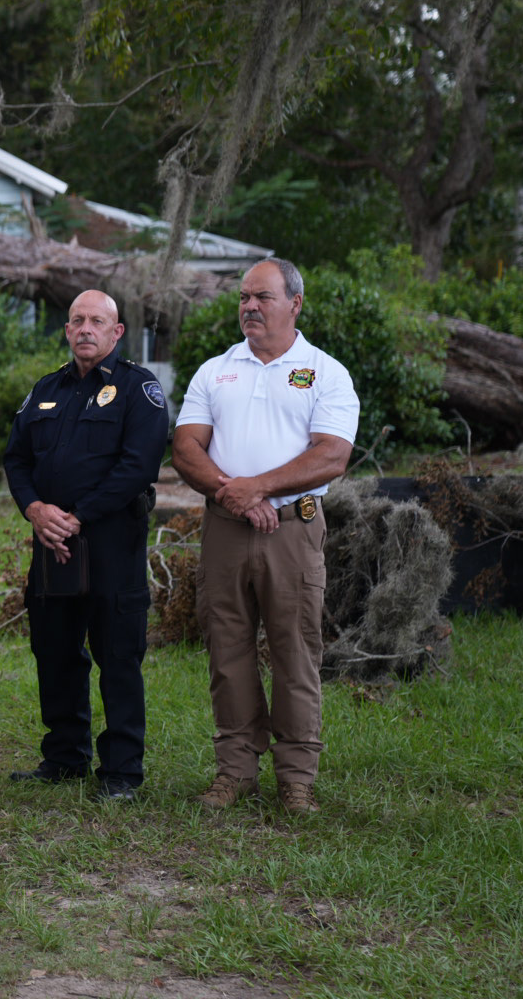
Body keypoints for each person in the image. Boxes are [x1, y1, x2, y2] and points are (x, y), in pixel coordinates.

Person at [172, 258, 357, 814]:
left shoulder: (324, 371)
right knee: (227, 650)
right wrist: (237, 494)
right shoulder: (216, 370)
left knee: (294, 650)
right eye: (244, 297)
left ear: (295, 303)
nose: (250, 306)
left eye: (263, 297)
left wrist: (258, 487)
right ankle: (235, 772)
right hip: (226, 530)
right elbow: (185, 448)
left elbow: (332, 454)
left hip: (294, 532)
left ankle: (297, 778)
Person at [2, 290, 168, 801]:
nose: (85, 329)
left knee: (117, 655)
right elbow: (16, 460)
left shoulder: (138, 389)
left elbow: (137, 467)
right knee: (54, 651)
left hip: (111, 545)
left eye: (97, 321)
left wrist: (77, 517)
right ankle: (65, 756)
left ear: (117, 332)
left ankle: (121, 772)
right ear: (67, 329)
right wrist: (35, 510)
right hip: (52, 546)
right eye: (77, 321)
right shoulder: (46, 389)